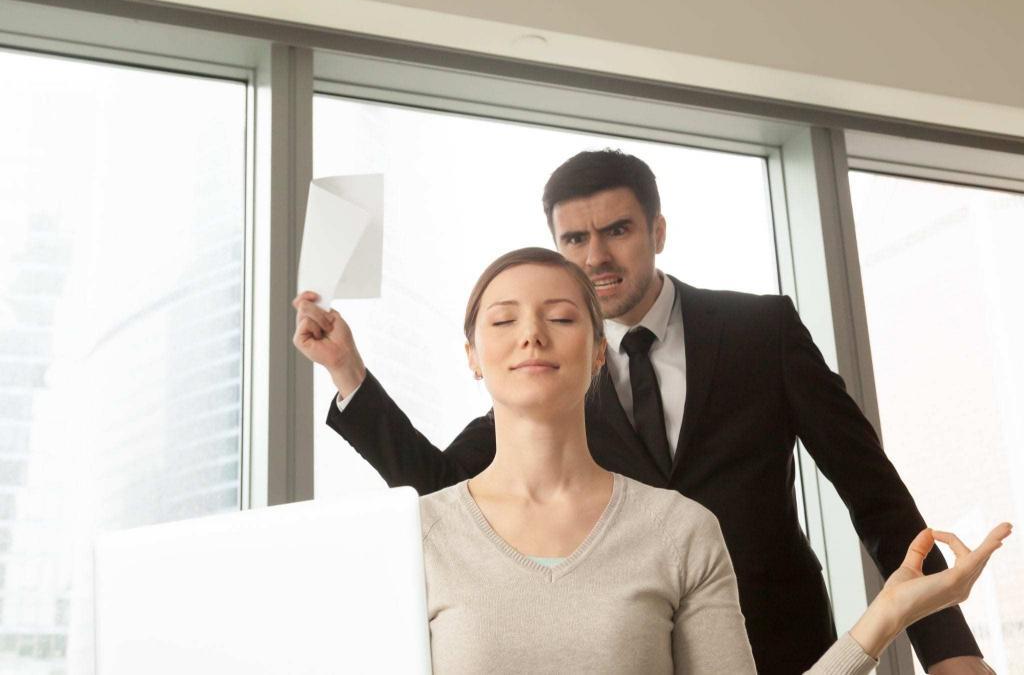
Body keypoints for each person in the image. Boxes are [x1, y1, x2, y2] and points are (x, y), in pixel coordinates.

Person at [294, 150, 990, 673]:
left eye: (618, 230)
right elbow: (445, 487)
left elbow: (869, 486)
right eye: (574, 239)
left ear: (656, 229)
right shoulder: (549, 376)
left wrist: (947, 647)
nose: (596, 254)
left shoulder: (760, 332)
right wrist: (348, 373)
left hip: (781, 646)